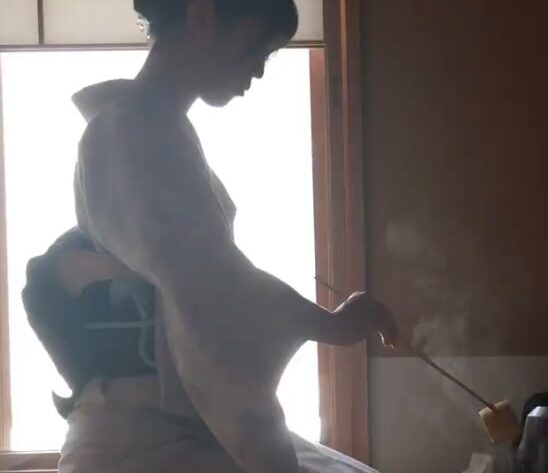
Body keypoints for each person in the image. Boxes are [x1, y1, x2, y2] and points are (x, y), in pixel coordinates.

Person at [55, 0, 399, 471]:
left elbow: (210, 284)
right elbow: (211, 293)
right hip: (146, 432)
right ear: (203, 16)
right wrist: (330, 326)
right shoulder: (134, 132)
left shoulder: (145, 127)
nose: (259, 69)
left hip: (167, 419)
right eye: (260, 47)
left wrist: (327, 324)